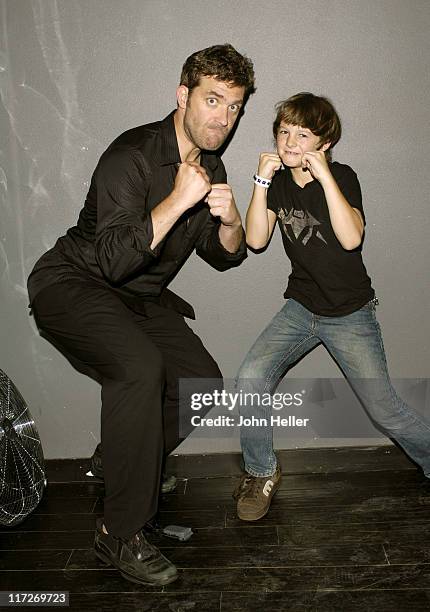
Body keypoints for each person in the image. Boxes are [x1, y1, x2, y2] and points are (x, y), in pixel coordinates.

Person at [27, 43, 255, 585]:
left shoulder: (212, 164)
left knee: (201, 382)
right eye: (213, 100)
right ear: (183, 96)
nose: (223, 118)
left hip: (135, 297)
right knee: (138, 368)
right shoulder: (129, 155)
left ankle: (121, 464)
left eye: (235, 107)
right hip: (72, 283)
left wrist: (229, 223)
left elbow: (225, 254)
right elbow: (112, 259)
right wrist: (177, 199)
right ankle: (118, 532)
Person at [233, 92, 430, 522]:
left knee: (385, 409)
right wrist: (260, 181)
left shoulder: (343, 175)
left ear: (324, 142)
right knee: (249, 378)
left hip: (349, 313)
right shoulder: (279, 182)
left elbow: (351, 238)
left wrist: (325, 178)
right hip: (301, 308)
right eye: (283, 132)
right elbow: (255, 239)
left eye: (302, 135)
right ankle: (261, 472)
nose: (289, 142)